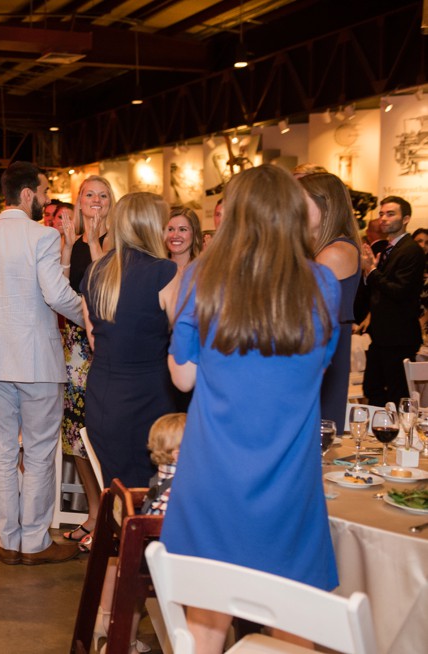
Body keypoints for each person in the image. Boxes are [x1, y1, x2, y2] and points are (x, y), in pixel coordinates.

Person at [162, 165, 340, 654]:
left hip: (211, 478)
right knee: (293, 630)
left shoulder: (203, 275)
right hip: (289, 485)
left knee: (205, 629)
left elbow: (183, 376)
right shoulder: (323, 284)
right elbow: (316, 374)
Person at [0, 161, 83, 566]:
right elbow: (57, 295)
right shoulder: (44, 236)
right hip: (35, 360)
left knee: (4, 453)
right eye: (43, 192)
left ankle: (8, 541)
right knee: (41, 452)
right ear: (26, 195)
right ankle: (35, 543)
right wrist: (92, 319)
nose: (46, 200)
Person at [80, 193, 179, 489]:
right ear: (153, 226)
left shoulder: (95, 271)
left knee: (119, 491)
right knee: (150, 491)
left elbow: (95, 342)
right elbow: (183, 340)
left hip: (103, 398)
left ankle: (124, 536)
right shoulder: (165, 272)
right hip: (150, 397)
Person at [95, 412, 186, 650]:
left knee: (134, 599)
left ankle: (125, 643)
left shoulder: (158, 480)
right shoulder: (182, 487)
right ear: (178, 455)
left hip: (142, 554)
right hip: (170, 560)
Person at [57, 176, 113, 552]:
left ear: (112, 202)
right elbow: (63, 289)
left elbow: (106, 285)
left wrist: (92, 240)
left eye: (102, 195)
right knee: (74, 437)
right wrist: (66, 246)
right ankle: (92, 514)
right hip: (74, 345)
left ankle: (108, 518)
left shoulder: (115, 243)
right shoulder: (76, 241)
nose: (95, 200)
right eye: (88, 194)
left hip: (104, 346)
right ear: (78, 201)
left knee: (100, 435)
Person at [299, 173, 361, 431]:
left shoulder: (334, 253)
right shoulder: (324, 250)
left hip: (322, 352)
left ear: (324, 205)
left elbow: (301, 307)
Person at [358, 196, 425, 407]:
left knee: (396, 394)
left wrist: (372, 271)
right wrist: (368, 271)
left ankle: (395, 437)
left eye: (390, 214)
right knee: (372, 388)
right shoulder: (390, 249)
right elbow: (378, 289)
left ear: (405, 218)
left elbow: (400, 291)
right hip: (382, 335)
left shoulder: (410, 250)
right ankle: (378, 436)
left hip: (399, 336)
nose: (383, 219)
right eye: (381, 214)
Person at [164, 206, 202, 272]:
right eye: (170, 229)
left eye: (182, 229)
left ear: (194, 234)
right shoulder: (157, 268)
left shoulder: (204, 269)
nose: (175, 235)